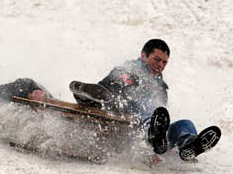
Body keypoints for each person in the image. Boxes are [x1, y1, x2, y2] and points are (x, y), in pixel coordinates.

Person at [92, 38, 221, 162]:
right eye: (157, 59)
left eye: (164, 62)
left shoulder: (161, 88)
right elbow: (102, 92)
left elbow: (161, 114)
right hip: (127, 127)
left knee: (185, 124)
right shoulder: (125, 72)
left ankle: (188, 146)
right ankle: (152, 137)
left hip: (155, 132)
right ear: (143, 56)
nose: (160, 65)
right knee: (142, 104)